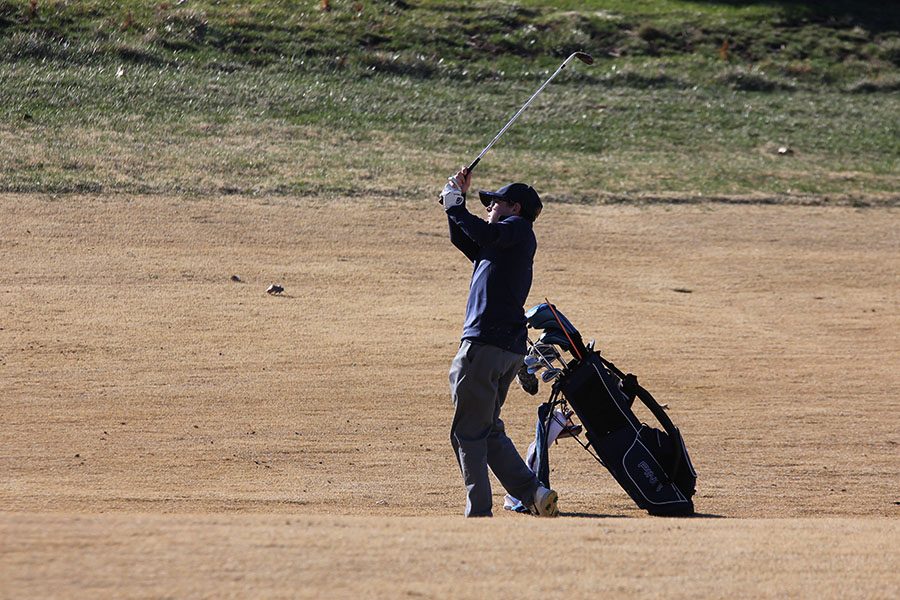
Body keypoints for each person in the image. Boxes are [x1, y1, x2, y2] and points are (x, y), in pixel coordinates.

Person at [440, 166, 559, 518]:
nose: (489, 208)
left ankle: (478, 514)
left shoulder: (515, 230)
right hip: (504, 349)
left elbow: (480, 232)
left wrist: (457, 206)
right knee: (487, 431)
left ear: (516, 208)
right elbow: (464, 239)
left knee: (468, 435)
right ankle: (533, 493)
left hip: (485, 347)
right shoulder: (504, 243)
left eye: (495, 203)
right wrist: (452, 206)